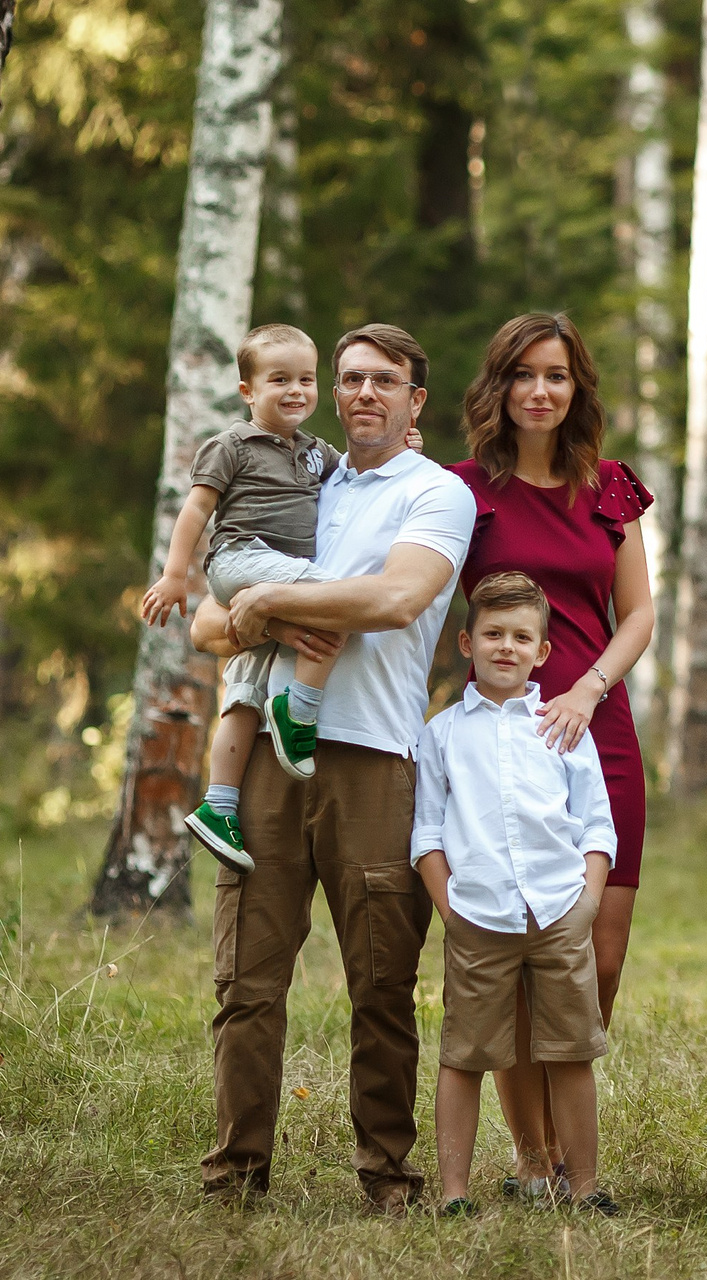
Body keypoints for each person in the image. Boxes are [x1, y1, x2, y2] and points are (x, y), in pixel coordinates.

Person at [187, 322, 478, 1211]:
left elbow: (398, 599)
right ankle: (237, 1176)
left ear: (414, 401)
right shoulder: (291, 476)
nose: (362, 394)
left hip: (374, 761)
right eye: (348, 379)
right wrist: (267, 614)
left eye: (384, 381)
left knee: (383, 982)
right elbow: (204, 625)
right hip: (270, 765)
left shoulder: (436, 493)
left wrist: (269, 600)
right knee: (247, 982)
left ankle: (387, 1178)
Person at [445, 313, 656, 1199]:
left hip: (596, 732)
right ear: (500, 386)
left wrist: (588, 689)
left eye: (559, 375)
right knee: (514, 954)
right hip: (500, 744)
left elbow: (639, 613)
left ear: (578, 388)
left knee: (593, 959)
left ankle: (563, 1142)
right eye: (526, 374)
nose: (542, 390)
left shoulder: (610, 487)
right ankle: (538, 1161)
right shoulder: (460, 491)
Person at [414, 571, 620, 1218]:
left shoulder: (561, 726)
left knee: (570, 1050)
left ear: (543, 651)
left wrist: (586, 900)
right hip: (478, 918)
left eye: (521, 637)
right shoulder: (442, 734)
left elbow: (595, 823)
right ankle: (453, 1193)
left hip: (559, 912)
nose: (507, 646)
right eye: (494, 634)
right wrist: (452, 908)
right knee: (466, 1053)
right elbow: (426, 831)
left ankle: (582, 1187)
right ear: (466, 643)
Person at [138, 324, 342, 870]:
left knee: (242, 694)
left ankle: (219, 805)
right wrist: (176, 575)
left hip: (273, 577)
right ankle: (299, 709)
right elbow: (197, 510)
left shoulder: (315, 452)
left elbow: (364, 473)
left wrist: (407, 443)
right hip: (240, 559)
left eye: (306, 379)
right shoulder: (231, 444)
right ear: (248, 390)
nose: (296, 390)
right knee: (337, 601)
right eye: (279, 380)